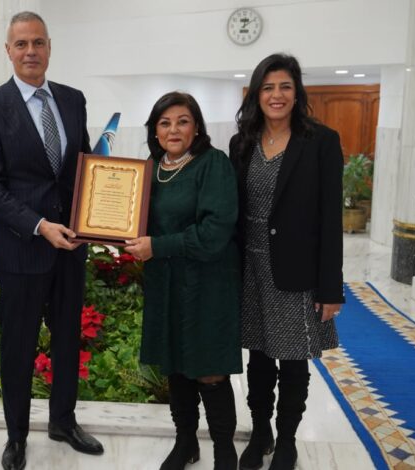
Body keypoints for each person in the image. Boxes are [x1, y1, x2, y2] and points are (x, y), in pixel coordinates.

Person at [0, 11, 103, 470]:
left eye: (38, 42)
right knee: (19, 347)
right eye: (21, 44)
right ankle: (17, 436)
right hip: (23, 249)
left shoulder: (72, 99)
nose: (30, 52)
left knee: (67, 340)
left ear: (49, 47)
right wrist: (40, 225)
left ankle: (63, 421)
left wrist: (101, 217)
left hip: (72, 247)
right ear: (8, 51)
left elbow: (84, 167)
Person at [228, 53, 345, 470]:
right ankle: (260, 433)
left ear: (297, 93)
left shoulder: (321, 141)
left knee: (293, 362)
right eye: (268, 87)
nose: (276, 95)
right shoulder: (242, 142)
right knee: (258, 360)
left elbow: (331, 219)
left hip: (296, 271)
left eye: (285, 87)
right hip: (250, 269)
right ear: (256, 94)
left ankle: (288, 441)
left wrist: (331, 288)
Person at [125, 91, 241, 470]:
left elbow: (215, 232)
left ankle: (224, 450)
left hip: (207, 285)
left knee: (209, 368)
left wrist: (156, 246)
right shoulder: (150, 168)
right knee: (174, 365)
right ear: (154, 131)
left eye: (182, 121)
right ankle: (185, 442)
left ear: (197, 128)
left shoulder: (213, 164)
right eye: (165, 123)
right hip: (166, 284)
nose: (173, 130)